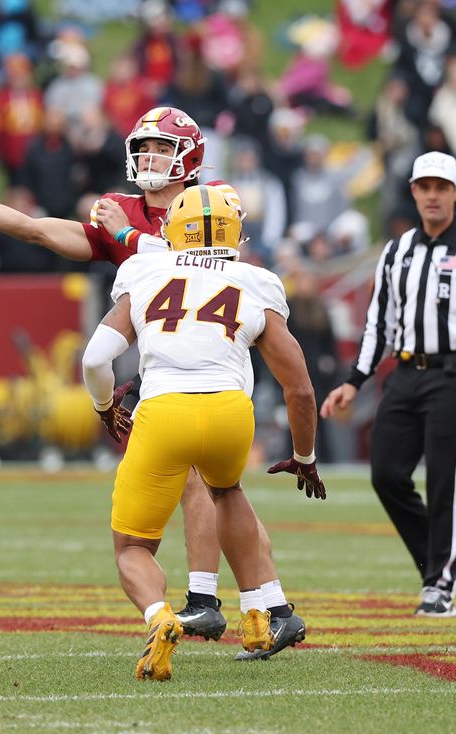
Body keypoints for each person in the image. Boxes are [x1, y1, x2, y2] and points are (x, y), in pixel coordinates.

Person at [0, 105, 307, 658]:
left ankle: (207, 598)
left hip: (213, 359)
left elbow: (189, 258)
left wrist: (127, 235)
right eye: (143, 148)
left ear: (189, 156)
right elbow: (39, 230)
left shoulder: (208, 199)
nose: (149, 158)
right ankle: (268, 607)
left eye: (162, 149)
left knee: (210, 486)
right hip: (170, 365)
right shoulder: (123, 208)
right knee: (223, 490)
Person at [81, 185, 325, 681]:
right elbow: (298, 388)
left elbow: (94, 358)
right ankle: (259, 614)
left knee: (132, 547)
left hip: (163, 412)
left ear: (170, 229)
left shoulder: (145, 269)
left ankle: (159, 615)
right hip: (231, 413)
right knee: (226, 489)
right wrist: (305, 454)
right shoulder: (256, 280)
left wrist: (106, 408)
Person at [321, 151, 456, 617]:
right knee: (386, 474)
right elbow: (377, 325)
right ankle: (443, 563)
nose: (432, 196)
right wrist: (354, 381)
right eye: (424, 187)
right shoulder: (396, 251)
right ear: (413, 192)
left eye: (441, 187)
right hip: (404, 374)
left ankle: (439, 583)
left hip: (454, 374)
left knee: (446, 480)